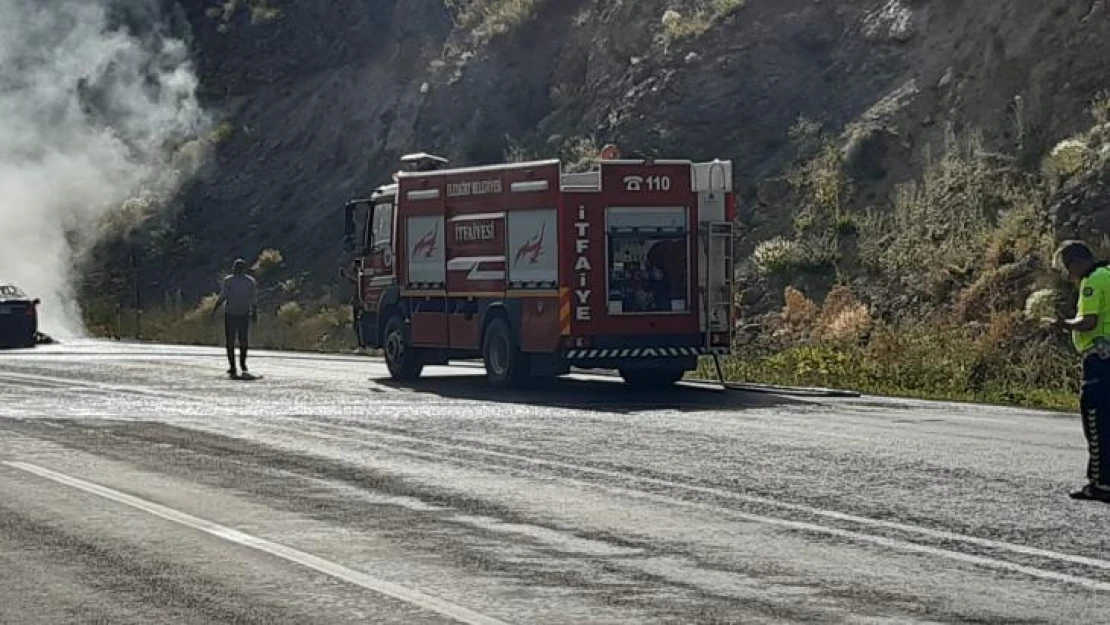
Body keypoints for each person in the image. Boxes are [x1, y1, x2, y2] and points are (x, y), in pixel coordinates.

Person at [1048, 240, 1110, 502]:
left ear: (1076, 263)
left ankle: (1101, 483)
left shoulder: (1093, 281)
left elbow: (1089, 321)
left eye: (1067, 268)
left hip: (1100, 360)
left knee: (1096, 420)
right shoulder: (1108, 274)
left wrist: (1064, 324)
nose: (1069, 275)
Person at [211, 258, 258, 378]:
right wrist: (254, 312)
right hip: (238, 313)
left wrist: (215, 309)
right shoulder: (248, 281)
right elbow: (252, 299)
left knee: (235, 341)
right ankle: (237, 365)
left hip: (236, 313)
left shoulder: (233, 281)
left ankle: (238, 365)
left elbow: (223, 297)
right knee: (239, 340)